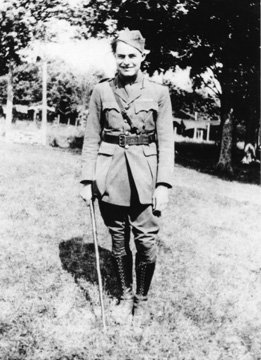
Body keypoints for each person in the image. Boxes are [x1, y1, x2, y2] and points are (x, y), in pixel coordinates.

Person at [80, 29, 174, 325]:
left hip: (146, 177)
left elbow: (166, 142)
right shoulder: (101, 91)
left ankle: (141, 301)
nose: (126, 61)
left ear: (142, 57)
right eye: (121, 56)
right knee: (118, 241)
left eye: (132, 55)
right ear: (115, 57)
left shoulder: (159, 93)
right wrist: (87, 180)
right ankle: (124, 295)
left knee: (146, 242)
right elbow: (92, 138)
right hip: (110, 176)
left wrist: (163, 184)